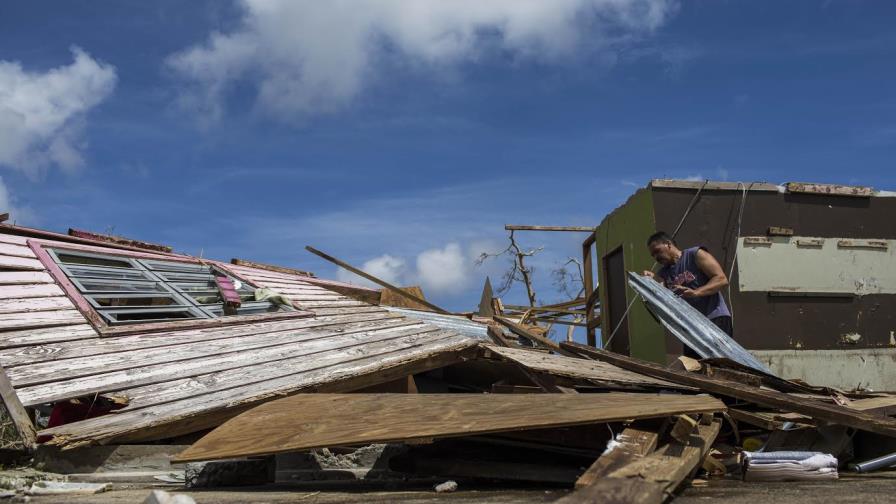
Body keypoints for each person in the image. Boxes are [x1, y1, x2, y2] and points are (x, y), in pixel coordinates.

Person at [642, 231, 732, 357]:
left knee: (720, 363)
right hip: (691, 325)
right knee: (696, 367)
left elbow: (721, 279)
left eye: (657, 251)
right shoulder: (663, 274)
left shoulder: (695, 254)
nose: (656, 257)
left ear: (668, 244)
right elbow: (662, 297)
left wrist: (696, 292)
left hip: (714, 318)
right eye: (653, 255)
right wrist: (651, 281)